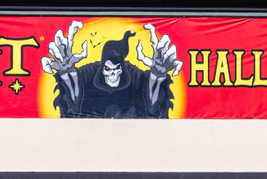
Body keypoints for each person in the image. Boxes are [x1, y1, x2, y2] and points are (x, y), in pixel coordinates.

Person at [41, 21, 182, 118]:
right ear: (103, 69)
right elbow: (73, 103)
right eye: (108, 68)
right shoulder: (89, 74)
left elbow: (153, 106)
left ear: (122, 69)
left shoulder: (135, 76)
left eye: (116, 69)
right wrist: (66, 73)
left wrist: (158, 76)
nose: (113, 74)